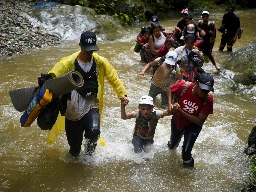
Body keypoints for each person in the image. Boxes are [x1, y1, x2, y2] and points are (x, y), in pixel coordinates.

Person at [48, 31, 129, 158]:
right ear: (79, 45)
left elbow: (113, 78)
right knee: (74, 150)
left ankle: (89, 158)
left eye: (92, 50)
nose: (89, 53)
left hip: (92, 105)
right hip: (72, 108)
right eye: (87, 50)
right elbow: (52, 75)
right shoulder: (68, 63)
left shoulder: (100, 62)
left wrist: (122, 94)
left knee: (94, 131)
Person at [166, 72, 214, 167]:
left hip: (193, 126)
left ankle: (189, 172)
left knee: (186, 153)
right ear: (196, 82)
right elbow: (168, 89)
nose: (204, 93)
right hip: (177, 121)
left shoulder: (208, 99)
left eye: (207, 91)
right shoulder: (183, 86)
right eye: (203, 89)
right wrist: (170, 105)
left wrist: (180, 111)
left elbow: (200, 121)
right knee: (172, 146)